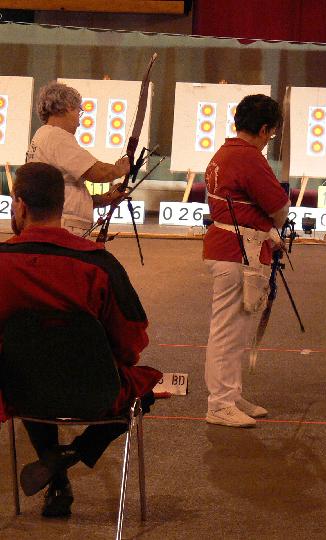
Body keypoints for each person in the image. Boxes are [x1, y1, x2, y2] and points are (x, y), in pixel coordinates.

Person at [0, 162, 161, 517]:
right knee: (145, 388)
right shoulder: (99, 265)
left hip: (17, 391)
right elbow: (133, 339)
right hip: (94, 392)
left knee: (28, 370)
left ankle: (55, 469)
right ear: (61, 206)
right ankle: (69, 456)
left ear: (20, 205)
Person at [203, 94, 289, 428]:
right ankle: (220, 403)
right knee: (228, 329)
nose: (269, 139)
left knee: (235, 328)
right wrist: (272, 226)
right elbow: (279, 207)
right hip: (236, 251)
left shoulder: (225, 152)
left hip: (231, 248)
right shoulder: (248, 157)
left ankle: (230, 394)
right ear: (264, 129)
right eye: (271, 133)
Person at [26, 81, 129, 235]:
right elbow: (98, 172)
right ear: (68, 106)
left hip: (58, 224)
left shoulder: (43, 135)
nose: (79, 122)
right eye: (79, 111)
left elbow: (61, 190)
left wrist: (101, 199)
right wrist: (121, 169)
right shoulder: (56, 136)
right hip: (64, 229)